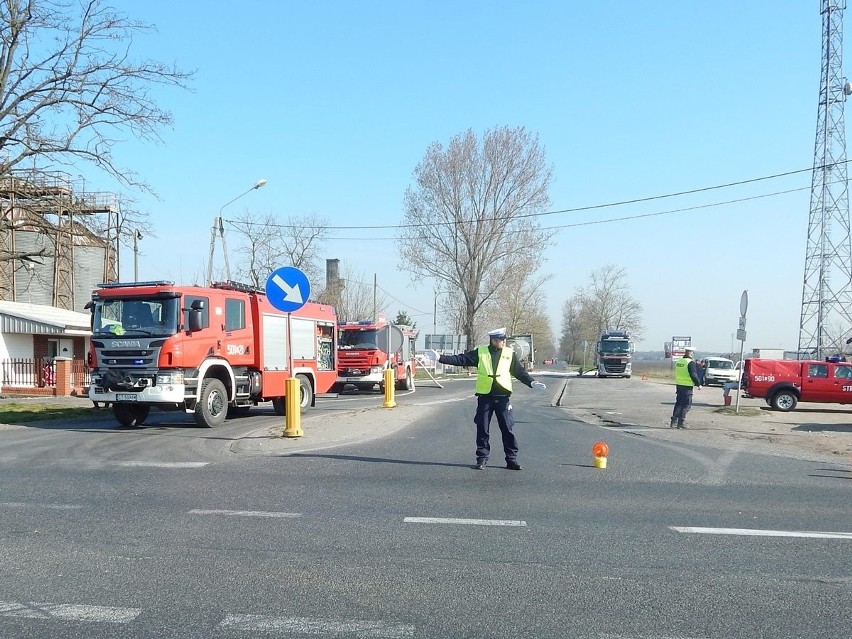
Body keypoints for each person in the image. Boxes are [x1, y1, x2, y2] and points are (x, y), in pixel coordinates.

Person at [438, 327, 547, 470]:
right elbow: (461, 359)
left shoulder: (509, 354)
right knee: (482, 428)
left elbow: (519, 372)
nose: (504, 342)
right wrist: (441, 358)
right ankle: (482, 458)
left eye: (504, 339)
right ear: (494, 340)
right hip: (485, 397)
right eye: (501, 340)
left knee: (507, 429)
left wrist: (532, 382)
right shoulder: (481, 352)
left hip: (503, 397)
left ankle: (511, 459)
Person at [671, 346, 702, 429]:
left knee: (678, 403)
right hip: (687, 386)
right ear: (691, 353)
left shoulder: (679, 361)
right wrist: (698, 384)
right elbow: (693, 375)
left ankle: (673, 422)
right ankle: (681, 422)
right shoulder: (690, 363)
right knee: (686, 405)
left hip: (679, 385)